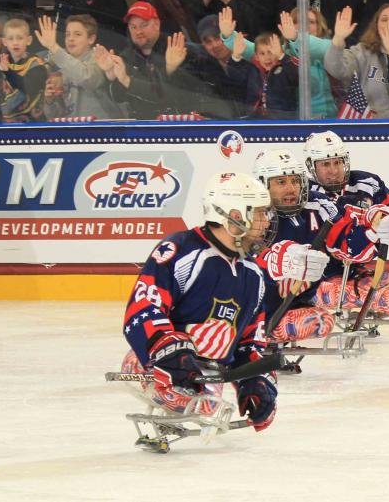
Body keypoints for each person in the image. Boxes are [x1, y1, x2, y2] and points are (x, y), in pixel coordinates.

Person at [120, 172, 280, 432]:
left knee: (206, 404)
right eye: (259, 213)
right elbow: (142, 310)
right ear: (234, 216)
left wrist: (255, 381)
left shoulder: (254, 274)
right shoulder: (181, 250)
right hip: (151, 364)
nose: (265, 222)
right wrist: (173, 357)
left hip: (207, 373)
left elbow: (250, 340)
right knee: (202, 404)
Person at [303, 131, 389, 320]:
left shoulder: (366, 183)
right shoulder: (306, 195)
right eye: (325, 164)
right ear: (311, 166)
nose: (333, 170)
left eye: (337, 162)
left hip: (354, 271)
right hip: (316, 279)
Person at [250, 150, 339, 343]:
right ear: (262, 185)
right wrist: (275, 260)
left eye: (295, 181)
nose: (291, 188)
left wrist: (371, 228)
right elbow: (242, 259)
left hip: (294, 303)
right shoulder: (251, 213)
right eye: (281, 182)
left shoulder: (316, 205)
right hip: (251, 311)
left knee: (322, 321)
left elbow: (346, 236)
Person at [94, 1, 195, 119]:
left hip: (178, 126)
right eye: (133, 27)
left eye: (144, 25)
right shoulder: (126, 56)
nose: (138, 32)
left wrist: (171, 70)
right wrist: (111, 76)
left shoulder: (177, 48)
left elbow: (180, 96)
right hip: (141, 126)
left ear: (157, 24)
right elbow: (119, 98)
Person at [34, 13, 123, 118]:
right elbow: (55, 116)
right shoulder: (61, 65)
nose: (71, 38)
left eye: (77, 34)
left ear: (91, 39)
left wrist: (54, 47)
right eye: (67, 34)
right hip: (73, 132)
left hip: (102, 131)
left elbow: (88, 79)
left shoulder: (101, 58)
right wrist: (50, 101)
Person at [0, 17, 50, 123]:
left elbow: (27, 88)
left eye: (20, 38)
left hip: (34, 124)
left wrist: (8, 72)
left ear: (29, 40)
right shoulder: (0, 62)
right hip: (6, 124)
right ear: (4, 42)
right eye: (11, 39)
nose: (15, 43)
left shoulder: (37, 65)